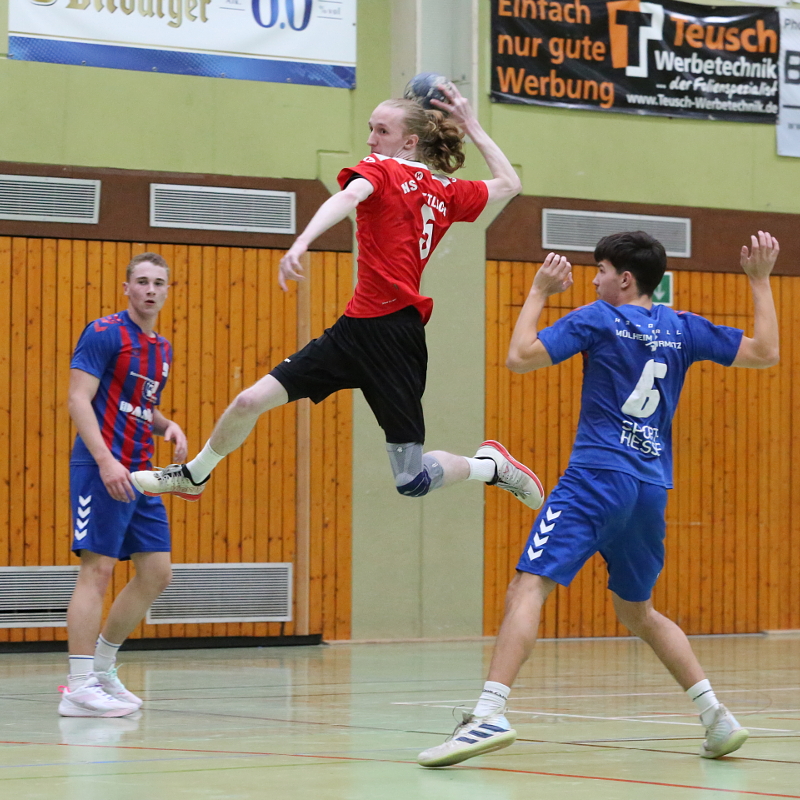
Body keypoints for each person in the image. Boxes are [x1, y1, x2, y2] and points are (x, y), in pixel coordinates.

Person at [418, 230, 780, 767]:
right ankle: (716, 717)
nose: (594, 280)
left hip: (594, 478)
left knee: (528, 586)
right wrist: (760, 281)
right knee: (639, 611)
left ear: (625, 279)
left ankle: (489, 714)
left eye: (601, 270)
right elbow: (765, 353)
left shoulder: (598, 318)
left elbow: (519, 356)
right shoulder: (683, 327)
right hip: (650, 488)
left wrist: (539, 292)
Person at [130, 85, 543, 511]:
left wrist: (302, 241)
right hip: (353, 331)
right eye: (370, 128)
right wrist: (472, 125)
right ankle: (195, 474)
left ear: (409, 142)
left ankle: (488, 467)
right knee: (249, 400)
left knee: (411, 479)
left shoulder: (385, 170)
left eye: (381, 131)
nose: (370, 139)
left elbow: (347, 196)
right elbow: (509, 182)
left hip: (396, 338)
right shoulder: (446, 190)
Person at [59, 253, 187, 717]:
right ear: (127, 288)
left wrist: (167, 425)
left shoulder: (161, 349)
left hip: (140, 471)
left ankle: (102, 668)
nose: (150, 290)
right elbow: (78, 398)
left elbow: (139, 405)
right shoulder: (104, 333)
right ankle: (78, 687)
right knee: (97, 571)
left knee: (157, 572)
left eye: (159, 283)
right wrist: (104, 461)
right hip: (101, 468)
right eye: (142, 281)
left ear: (167, 290)